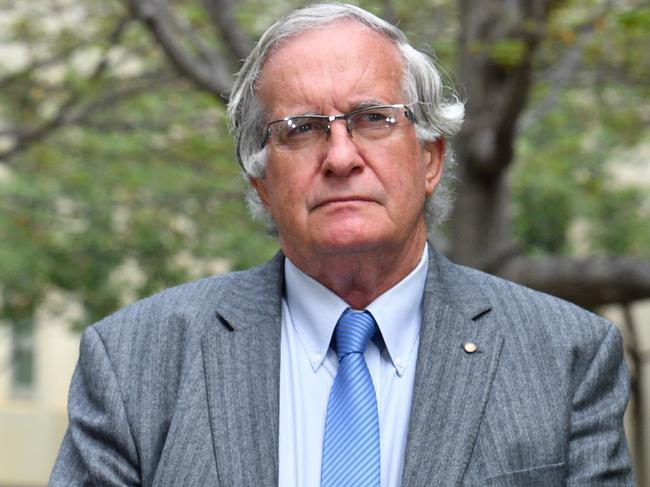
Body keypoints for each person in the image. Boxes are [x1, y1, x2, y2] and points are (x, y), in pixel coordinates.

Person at [50, 3, 634, 486]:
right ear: (261, 181)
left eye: (373, 118)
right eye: (300, 129)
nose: (341, 157)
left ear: (430, 158)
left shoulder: (566, 358)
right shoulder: (136, 363)